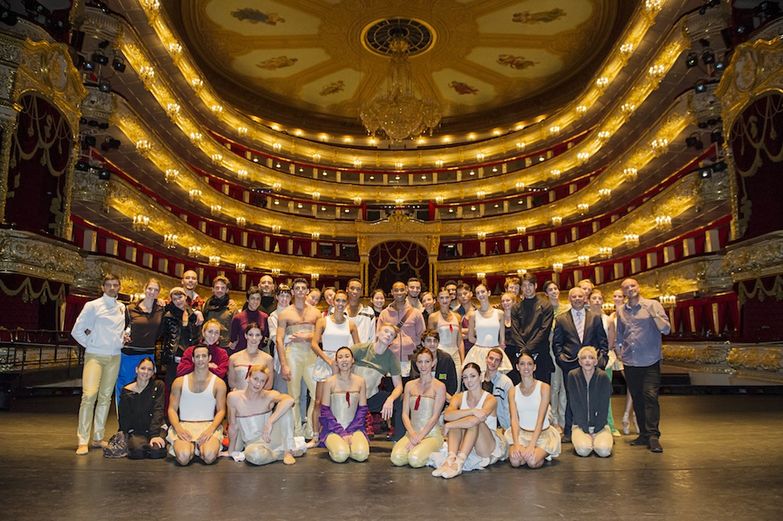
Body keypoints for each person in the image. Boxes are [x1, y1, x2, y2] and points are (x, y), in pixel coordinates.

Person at [72, 273, 128, 455]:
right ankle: (82, 440)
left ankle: (97, 438)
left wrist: (122, 339)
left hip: (114, 356)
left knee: (105, 398)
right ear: (103, 287)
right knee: (89, 396)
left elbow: (125, 328)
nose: (112, 288)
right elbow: (77, 330)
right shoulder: (92, 306)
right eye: (109, 285)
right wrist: (92, 343)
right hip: (95, 356)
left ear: (119, 287)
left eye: (115, 285)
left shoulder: (121, 307)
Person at [616, 278, 671, 453]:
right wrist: (619, 352)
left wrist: (654, 314)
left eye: (633, 285)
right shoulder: (621, 311)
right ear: (623, 292)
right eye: (626, 287)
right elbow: (619, 335)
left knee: (650, 396)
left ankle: (653, 435)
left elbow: (666, 329)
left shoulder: (652, 305)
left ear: (638, 287)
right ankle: (644, 435)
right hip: (630, 361)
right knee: (638, 398)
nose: (630, 289)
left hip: (650, 360)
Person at [429, 362, 507, 478]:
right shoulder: (458, 397)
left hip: (485, 446)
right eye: (465, 377)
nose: (469, 381)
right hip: (465, 441)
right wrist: (472, 411)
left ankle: (460, 462)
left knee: (472, 421)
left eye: (473, 376)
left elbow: (475, 421)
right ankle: (451, 459)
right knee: (459, 420)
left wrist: (450, 425)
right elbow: (447, 415)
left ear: (480, 377)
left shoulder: (490, 399)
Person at [552, 287, 608, 443]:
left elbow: (602, 341)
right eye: (574, 296)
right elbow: (557, 344)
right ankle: (569, 431)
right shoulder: (561, 319)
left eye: (580, 296)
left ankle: (597, 428)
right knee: (571, 397)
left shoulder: (595, 318)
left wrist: (601, 360)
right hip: (570, 365)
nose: (577, 298)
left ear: (585, 299)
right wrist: (561, 360)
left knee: (593, 397)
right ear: (569, 299)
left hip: (591, 364)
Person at [310, 290, 360, 443]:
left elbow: (358, 346)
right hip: (325, 362)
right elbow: (314, 343)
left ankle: (339, 433)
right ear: (333, 302)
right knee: (319, 401)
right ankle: (315, 437)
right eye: (337, 300)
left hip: (344, 364)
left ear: (347, 303)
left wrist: (347, 360)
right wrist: (328, 360)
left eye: (343, 301)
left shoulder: (351, 323)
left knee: (339, 401)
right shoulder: (323, 321)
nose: (340, 304)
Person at [226, 365, 299, 465]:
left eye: (262, 381)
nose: (258, 384)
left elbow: (290, 400)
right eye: (255, 379)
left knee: (286, 408)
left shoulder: (270, 395)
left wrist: (269, 422)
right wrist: (231, 451)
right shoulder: (234, 397)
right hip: (253, 445)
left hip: (270, 437)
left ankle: (287, 451)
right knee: (254, 456)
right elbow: (233, 426)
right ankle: (278, 455)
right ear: (247, 377)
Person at [167, 345, 227, 465]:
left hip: (208, 425)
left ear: (209, 358)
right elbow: (171, 409)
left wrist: (211, 429)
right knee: (183, 458)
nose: (200, 359)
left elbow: (221, 411)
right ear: (193, 359)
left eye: (204, 356)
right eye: (197, 356)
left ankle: (198, 448)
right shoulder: (179, 382)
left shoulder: (219, 383)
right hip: (184, 425)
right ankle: (188, 448)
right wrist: (178, 429)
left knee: (209, 457)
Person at [276, 278, 321, 438]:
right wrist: (284, 364)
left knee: (317, 394)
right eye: (297, 288)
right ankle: (296, 431)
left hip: (311, 355)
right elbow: (279, 339)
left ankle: (311, 429)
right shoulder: (285, 313)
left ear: (307, 291)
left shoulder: (316, 312)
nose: (301, 290)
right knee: (293, 395)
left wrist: (309, 336)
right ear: (293, 292)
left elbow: (321, 336)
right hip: (293, 355)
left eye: (304, 288)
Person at [391, 348, 446, 468]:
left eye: (427, 361)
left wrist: (419, 438)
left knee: (414, 459)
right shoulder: (409, 385)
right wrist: (412, 435)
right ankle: (419, 449)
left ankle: (429, 452)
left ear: (433, 363)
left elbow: (435, 416)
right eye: (420, 362)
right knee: (396, 458)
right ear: (416, 363)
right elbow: (405, 414)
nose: (423, 365)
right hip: (411, 433)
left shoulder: (439, 386)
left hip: (431, 434)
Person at [506, 351, 561, 468]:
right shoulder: (512, 391)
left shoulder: (544, 388)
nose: (526, 367)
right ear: (517, 367)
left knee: (532, 462)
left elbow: (540, 419)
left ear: (534, 367)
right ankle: (528, 452)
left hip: (542, 435)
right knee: (515, 462)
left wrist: (532, 445)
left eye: (529, 364)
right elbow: (514, 419)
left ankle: (541, 453)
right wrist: (516, 444)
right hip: (521, 434)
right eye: (522, 364)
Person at [351, 324, 404, 441]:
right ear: (377, 333)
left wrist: (390, 400)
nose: (388, 335)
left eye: (392, 335)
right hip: (351, 398)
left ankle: (399, 439)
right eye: (386, 331)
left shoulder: (391, 358)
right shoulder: (360, 349)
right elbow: (340, 361)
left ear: (392, 341)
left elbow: (399, 386)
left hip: (371, 397)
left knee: (402, 400)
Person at [116, 278, 164, 404]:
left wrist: (197, 312)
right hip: (129, 353)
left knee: (146, 389)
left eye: (155, 290)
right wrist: (122, 336)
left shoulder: (161, 309)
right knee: (125, 387)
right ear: (144, 289)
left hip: (148, 353)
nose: (152, 292)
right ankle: (123, 419)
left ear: (159, 293)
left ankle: (141, 421)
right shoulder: (130, 308)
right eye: (150, 289)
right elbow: (121, 328)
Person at [319, 347, 369, 463]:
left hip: (355, 428)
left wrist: (350, 431)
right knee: (341, 455)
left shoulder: (360, 381)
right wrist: (341, 432)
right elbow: (325, 410)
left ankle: (350, 446)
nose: (344, 360)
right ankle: (337, 446)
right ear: (336, 362)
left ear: (353, 360)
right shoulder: (329, 382)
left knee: (361, 455)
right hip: (333, 429)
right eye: (340, 357)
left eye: (347, 356)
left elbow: (362, 410)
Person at [566, 347, 614, 458]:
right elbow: (574, 405)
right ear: (579, 361)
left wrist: (597, 429)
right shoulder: (572, 376)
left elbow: (604, 406)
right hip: (580, 426)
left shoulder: (603, 376)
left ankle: (601, 440)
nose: (587, 360)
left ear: (596, 361)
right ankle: (584, 440)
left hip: (601, 426)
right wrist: (586, 430)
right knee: (584, 450)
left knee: (604, 451)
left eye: (591, 358)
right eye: (584, 358)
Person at [117, 357, 166, 459]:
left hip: (155, 428)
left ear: (153, 372)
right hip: (136, 431)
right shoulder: (126, 391)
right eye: (143, 368)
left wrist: (154, 435)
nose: (146, 372)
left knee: (156, 452)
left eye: (149, 369)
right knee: (137, 452)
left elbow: (158, 410)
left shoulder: (158, 386)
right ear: (136, 370)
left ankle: (155, 443)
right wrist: (127, 433)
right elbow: (124, 416)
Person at [510, 273, 554, 383]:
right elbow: (515, 331)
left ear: (535, 286)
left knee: (542, 388)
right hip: (521, 352)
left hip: (540, 351)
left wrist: (527, 349)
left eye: (530, 285)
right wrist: (523, 349)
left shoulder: (546, 305)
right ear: (521, 288)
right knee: (522, 386)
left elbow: (544, 330)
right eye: (524, 286)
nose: (527, 288)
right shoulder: (516, 307)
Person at [377, 281, 426, 378]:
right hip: (389, 358)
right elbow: (379, 336)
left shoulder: (416, 313)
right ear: (392, 292)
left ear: (406, 291)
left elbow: (422, 335)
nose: (399, 293)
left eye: (402, 290)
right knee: (391, 390)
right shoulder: (384, 313)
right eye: (396, 290)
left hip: (410, 359)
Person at [589, 289, 620, 436]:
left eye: (599, 298)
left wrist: (600, 356)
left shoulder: (607, 320)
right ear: (588, 301)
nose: (596, 301)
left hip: (604, 360)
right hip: (587, 361)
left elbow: (611, 342)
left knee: (605, 393)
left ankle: (610, 424)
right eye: (593, 298)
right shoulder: (585, 319)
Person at [464, 284, 512, 375]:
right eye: (478, 293)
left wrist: (496, 348)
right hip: (478, 352)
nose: (480, 294)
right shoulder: (473, 315)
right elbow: (470, 338)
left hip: (495, 351)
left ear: (488, 293)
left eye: (483, 292)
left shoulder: (499, 313)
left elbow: (502, 339)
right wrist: (481, 345)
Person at [161, 287, 200, 392]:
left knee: (188, 386)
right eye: (174, 299)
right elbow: (162, 336)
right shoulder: (168, 316)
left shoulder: (193, 315)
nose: (178, 301)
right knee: (172, 386)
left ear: (185, 297)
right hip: (174, 355)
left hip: (189, 355)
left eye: (180, 297)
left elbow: (197, 336)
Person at [608, 288, 636, 435]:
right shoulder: (611, 316)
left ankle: (628, 415)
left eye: (620, 296)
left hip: (627, 353)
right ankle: (615, 420)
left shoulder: (628, 313)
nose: (617, 298)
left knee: (632, 384)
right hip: (614, 355)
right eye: (615, 295)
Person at [543, 280, 567, 434]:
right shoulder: (544, 309)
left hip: (566, 349)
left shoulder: (567, 308)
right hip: (551, 349)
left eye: (556, 288)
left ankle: (564, 420)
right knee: (555, 385)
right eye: (550, 289)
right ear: (546, 293)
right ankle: (555, 420)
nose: (554, 291)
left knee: (565, 386)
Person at [427, 288, 464, 387]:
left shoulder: (457, 317)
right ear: (438, 299)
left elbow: (460, 341)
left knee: (456, 385)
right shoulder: (433, 317)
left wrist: (463, 360)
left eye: (447, 297)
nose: (444, 300)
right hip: (440, 355)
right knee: (440, 386)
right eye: (442, 298)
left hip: (455, 355)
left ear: (450, 298)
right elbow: (430, 340)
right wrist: (431, 358)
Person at [409, 329, 458, 399]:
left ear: (438, 343)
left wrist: (441, 397)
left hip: (443, 396)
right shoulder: (416, 358)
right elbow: (415, 380)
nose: (432, 344)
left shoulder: (446, 359)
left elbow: (453, 384)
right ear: (423, 343)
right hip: (421, 396)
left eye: (435, 341)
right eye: (429, 341)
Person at [228, 323, 274, 391]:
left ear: (261, 337)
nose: (254, 338)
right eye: (250, 335)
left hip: (260, 399)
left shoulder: (268, 359)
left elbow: (269, 385)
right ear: (246, 336)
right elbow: (231, 383)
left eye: (257, 335)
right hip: (239, 398)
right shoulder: (233, 358)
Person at [229, 285, 269, 354]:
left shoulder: (265, 317)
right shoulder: (238, 318)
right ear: (247, 300)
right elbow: (233, 339)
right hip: (241, 353)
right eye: (252, 298)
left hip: (257, 354)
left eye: (258, 299)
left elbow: (264, 338)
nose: (255, 301)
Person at [202, 275, 236, 348]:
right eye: (217, 288)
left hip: (225, 345)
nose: (219, 290)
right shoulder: (206, 305)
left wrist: (234, 342)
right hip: (208, 344)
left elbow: (237, 326)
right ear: (213, 289)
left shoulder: (232, 307)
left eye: (223, 288)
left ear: (227, 290)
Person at [484, 348, 514, 431]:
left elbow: (508, 408)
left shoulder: (506, 382)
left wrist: (508, 429)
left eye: (497, 360)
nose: (493, 362)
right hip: (480, 423)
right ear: (486, 359)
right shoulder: (478, 378)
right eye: (491, 358)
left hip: (499, 427)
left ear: (500, 364)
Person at [500, 291, 521, 384]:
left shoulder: (520, 318)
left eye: (508, 300)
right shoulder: (499, 317)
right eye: (503, 301)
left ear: (514, 302)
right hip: (504, 352)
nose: (505, 303)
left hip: (516, 352)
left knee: (516, 378)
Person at [345, 278, 376, 343]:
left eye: (358, 289)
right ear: (347, 289)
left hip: (362, 351)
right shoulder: (337, 310)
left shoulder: (369, 311)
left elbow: (373, 337)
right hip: (342, 351)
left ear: (361, 292)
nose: (355, 291)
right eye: (352, 288)